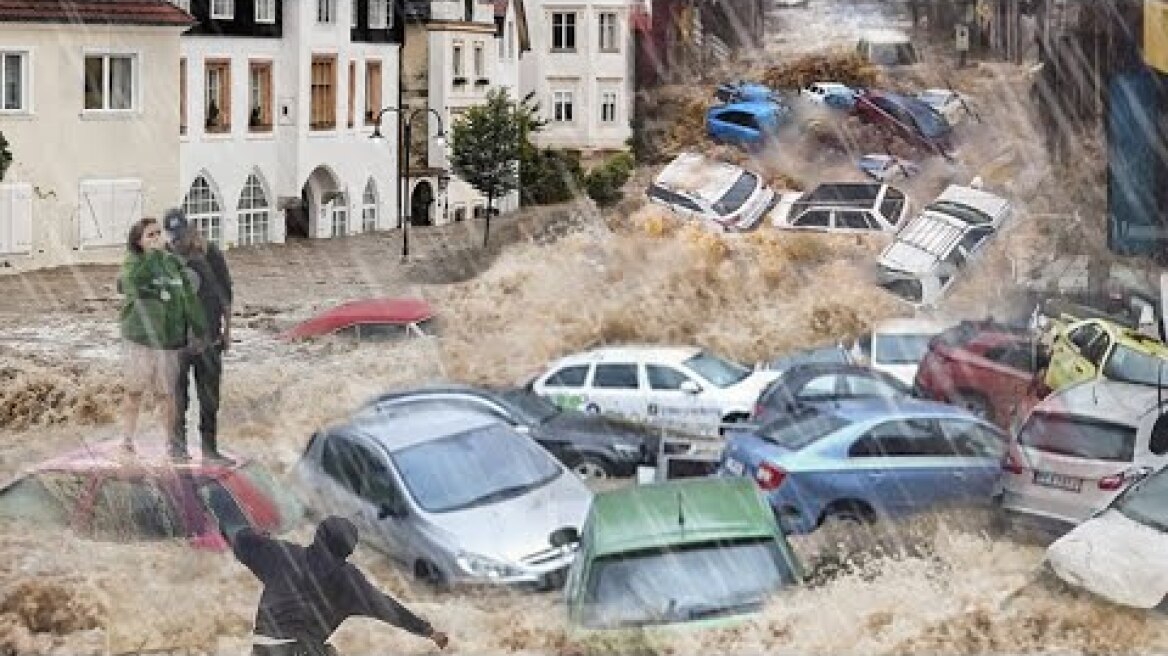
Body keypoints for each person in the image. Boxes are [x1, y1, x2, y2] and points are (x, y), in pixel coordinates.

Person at [223, 516, 449, 656]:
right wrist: (428, 631)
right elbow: (388, 608)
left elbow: (242, 542)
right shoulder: (349, 580)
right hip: (300, 650)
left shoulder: (283, 554)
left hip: (262, 646)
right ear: (349, 550)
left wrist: (257, 536)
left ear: (317, 536)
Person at [118, 217, 207, 455]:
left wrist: (199, 330)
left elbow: (188, 298)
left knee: (166, 394)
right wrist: (151, 256)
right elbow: (130, 285)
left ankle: (170, 442)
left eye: (159, 233)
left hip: (169, 339)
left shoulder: (173, 263)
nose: (157, 238)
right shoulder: (133, 262)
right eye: (150, 235)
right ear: (138, 241)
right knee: (134, 390)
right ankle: (127, 439)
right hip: (140, 338)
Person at [163, 208, 234, 462]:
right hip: (176, 342)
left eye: (181, 235)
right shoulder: (164, 259)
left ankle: (209, 449)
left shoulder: (210, 253)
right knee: (177, 399)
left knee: (209, 399)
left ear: (189, 230)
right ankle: (177, 449)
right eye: (173, 237)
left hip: (209, 339)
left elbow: (226, 294)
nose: (178, 242)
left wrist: (227, 331)